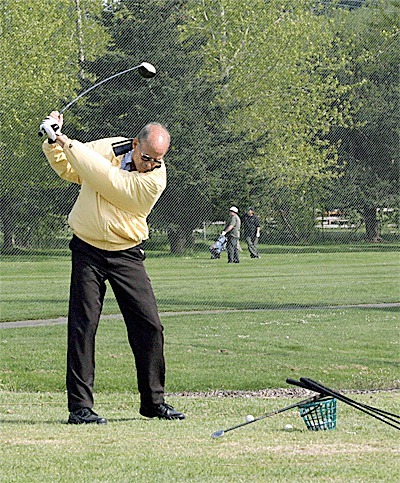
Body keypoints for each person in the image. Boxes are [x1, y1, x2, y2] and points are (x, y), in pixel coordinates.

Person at [39, 112, 185, 424]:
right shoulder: (110, 148)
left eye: (157, 160)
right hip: (87, 249)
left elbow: (110, 182)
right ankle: (80, 408)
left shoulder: (155, 179)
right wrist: (54, 142)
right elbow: (70, 167)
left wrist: (68, 141)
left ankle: (153, 402)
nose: (151, 164)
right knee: (83, 326)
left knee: (150, 326)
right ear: (135, 144)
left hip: (126, 254)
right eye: (147, 157)